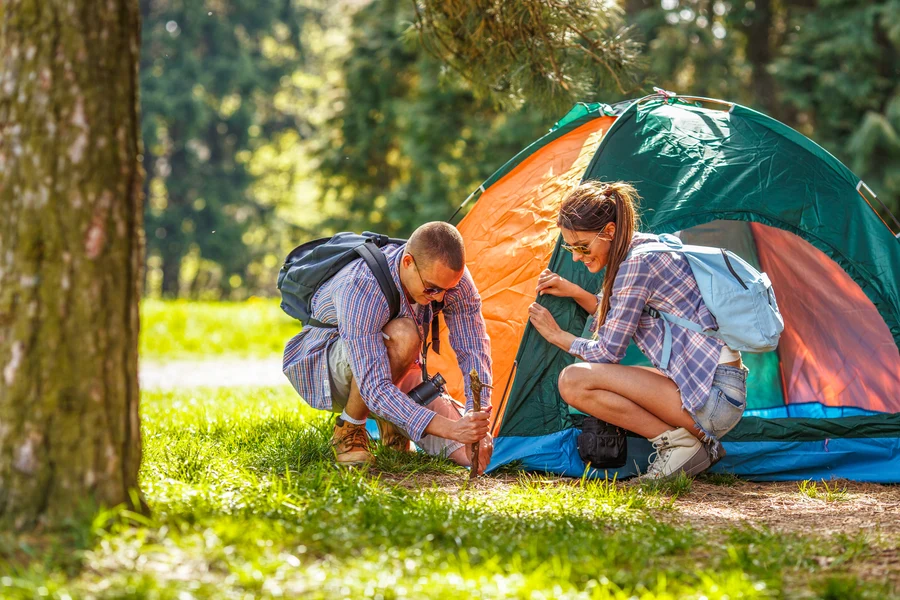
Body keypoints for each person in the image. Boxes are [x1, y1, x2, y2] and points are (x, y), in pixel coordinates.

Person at [527, 181, 748, 480]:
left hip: (714, 398)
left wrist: (557, 336)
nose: (576, 256)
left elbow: (609, 351)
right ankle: (694, 442)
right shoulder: (645, 247)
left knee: (573, 381)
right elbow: (621, 313)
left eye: (581, 246)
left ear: (608, 231)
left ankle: (679, 446)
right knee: (613, 377)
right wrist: (576, 292)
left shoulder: (637, 265)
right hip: (719, 388)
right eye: (570, 247)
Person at [283, 222, 493, 472]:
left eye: (446, 290)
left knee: (474, 457)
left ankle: (393, 423)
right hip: (329, 367)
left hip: (394, 371)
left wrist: (475, 415)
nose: (439, 298)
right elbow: (374, 386)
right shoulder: (361, 285)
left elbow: (474, 349)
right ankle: (349, 429)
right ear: (407, 263)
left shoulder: (451, 281)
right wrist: (451, 428)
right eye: (432, 289)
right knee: (404, 335)